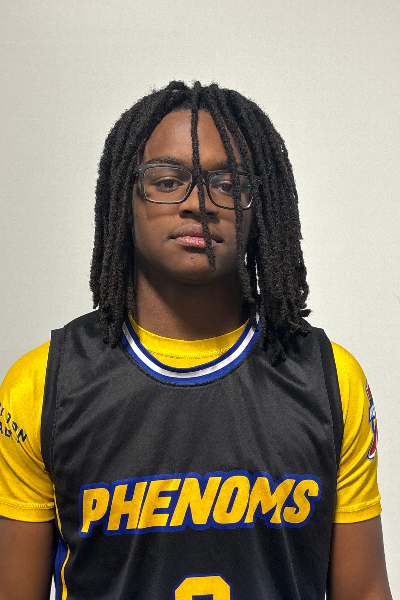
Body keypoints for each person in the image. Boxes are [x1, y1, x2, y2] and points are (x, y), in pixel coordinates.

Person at [0, 81, 392, 600]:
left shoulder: (330, 380)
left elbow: (364, 592)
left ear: (260, 208)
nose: (199, 204)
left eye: (228, 184)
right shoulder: (43, 386)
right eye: (167, 181)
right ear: (123, 197)